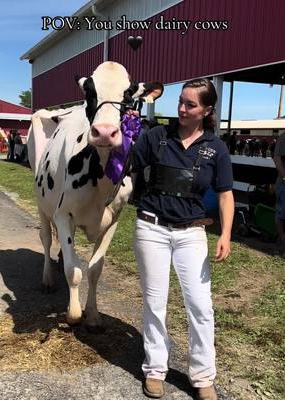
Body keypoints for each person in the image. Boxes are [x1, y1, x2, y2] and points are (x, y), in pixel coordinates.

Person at [131, 78, 234, 400]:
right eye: (180, 102)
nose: (182, 109)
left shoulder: (216, 148)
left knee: (201, 306)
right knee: (155, 302)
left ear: (206, 110)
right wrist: (125, 133)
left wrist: (226, 234)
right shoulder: (156, 137)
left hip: (192, 233)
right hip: (152, 229)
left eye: (190, 104)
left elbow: (226, 194)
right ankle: (155, 369)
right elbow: (124, 164)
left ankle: (203, 377)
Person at [273, 132, 285, 256]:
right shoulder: (283, 138)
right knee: (281, 214)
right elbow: (277, 159)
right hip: (283, 184)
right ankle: (281, 243)